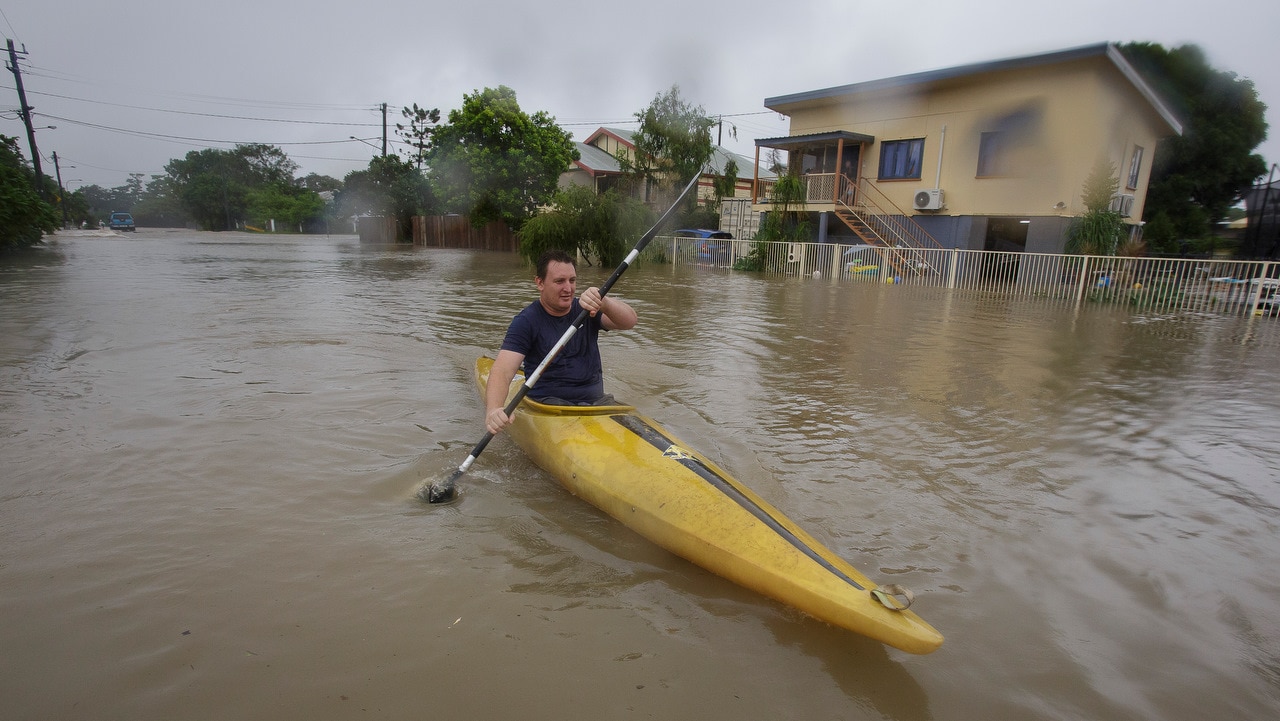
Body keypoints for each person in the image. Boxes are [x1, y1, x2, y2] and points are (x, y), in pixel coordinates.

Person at [484, 250, 637, 435]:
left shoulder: (587, 309)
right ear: (539, 283)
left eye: (572, 280)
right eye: (559, 281)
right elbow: (503, 370)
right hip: (549, 406)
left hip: (596, 404)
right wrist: (494, 410)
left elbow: (629, 321)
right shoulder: (526, 321)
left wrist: (604, 302)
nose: (568, 288)